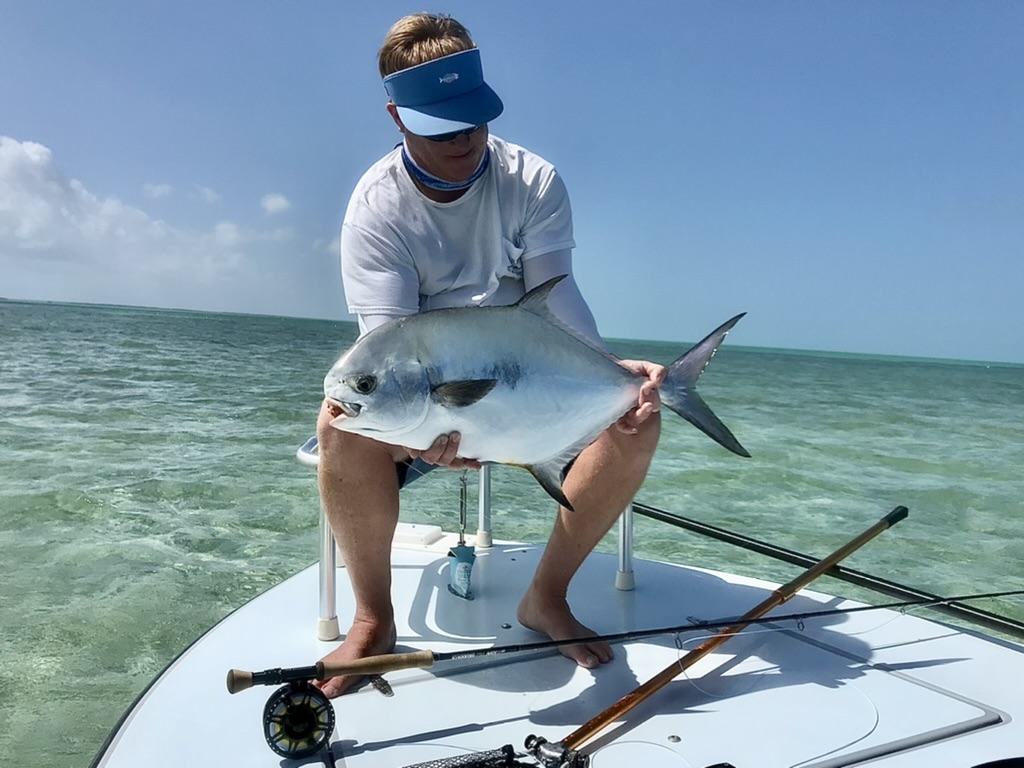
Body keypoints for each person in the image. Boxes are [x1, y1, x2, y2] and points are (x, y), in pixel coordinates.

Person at [315, 12, 665, 698]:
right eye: (440, 126)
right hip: (433, 402)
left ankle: (546, 599)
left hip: (525, 385)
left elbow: (557, 305)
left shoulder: (533, 180)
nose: (464, 141)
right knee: (340, 425)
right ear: (396, 117)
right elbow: (389, 348)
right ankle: (374, 619)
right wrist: (431, 436)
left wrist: (615, 374)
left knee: (638, 421)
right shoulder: (377, 210)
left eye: (473, 120)